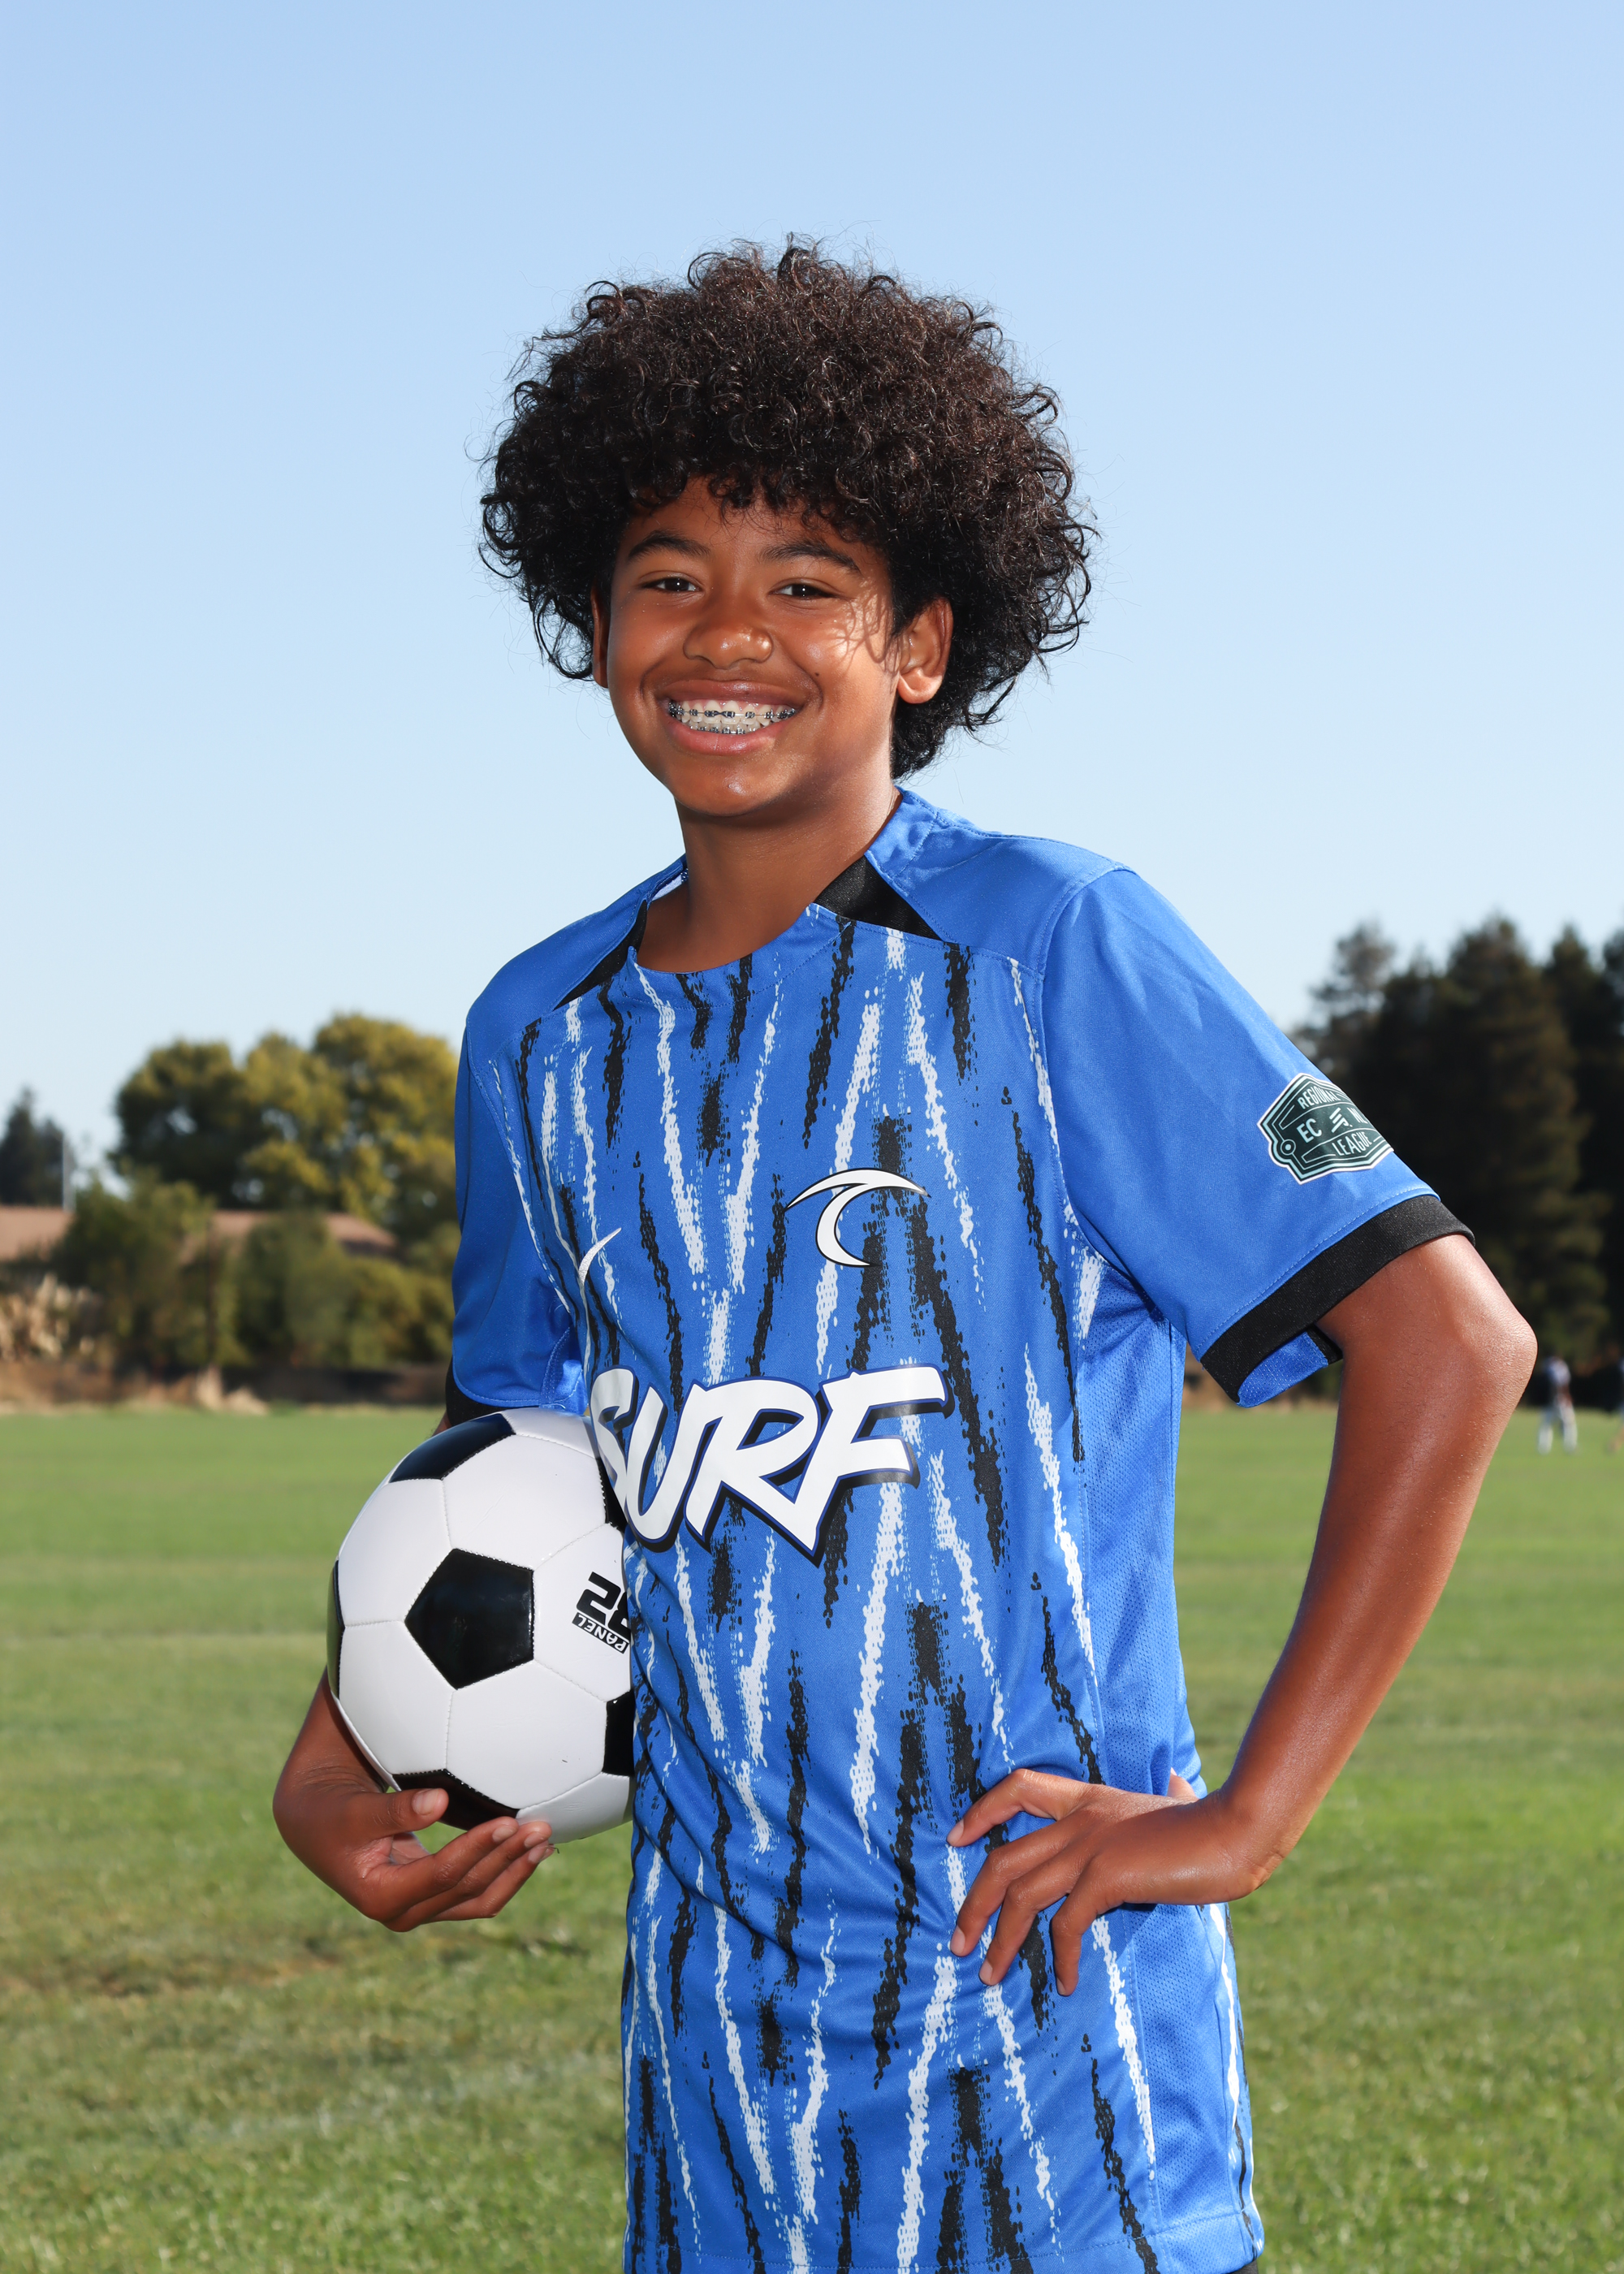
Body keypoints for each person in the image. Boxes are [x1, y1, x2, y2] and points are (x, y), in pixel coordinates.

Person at [273, 247, 1534, 2274]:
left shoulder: (1054, 945)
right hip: (718, 2075)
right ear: (593, 626)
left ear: (923, 643)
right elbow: (516, 1467)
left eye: (807, 582)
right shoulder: (536, 1031)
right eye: (666, 575)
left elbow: (1446, 1339)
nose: (727, 632)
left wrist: (1246, 1815)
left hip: (1054, 2059)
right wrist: (345, 1750)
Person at [1536, 1351, 1579, 1455]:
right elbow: (1562, 1384)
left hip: (1549, 1400)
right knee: (1568, 1423)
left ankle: (1543, 1448)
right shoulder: (1561, 1367)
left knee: (1547, 1424)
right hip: (1560, 1399)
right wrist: (1566, 1396)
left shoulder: (1546, 1366)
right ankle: (1570, 1446)